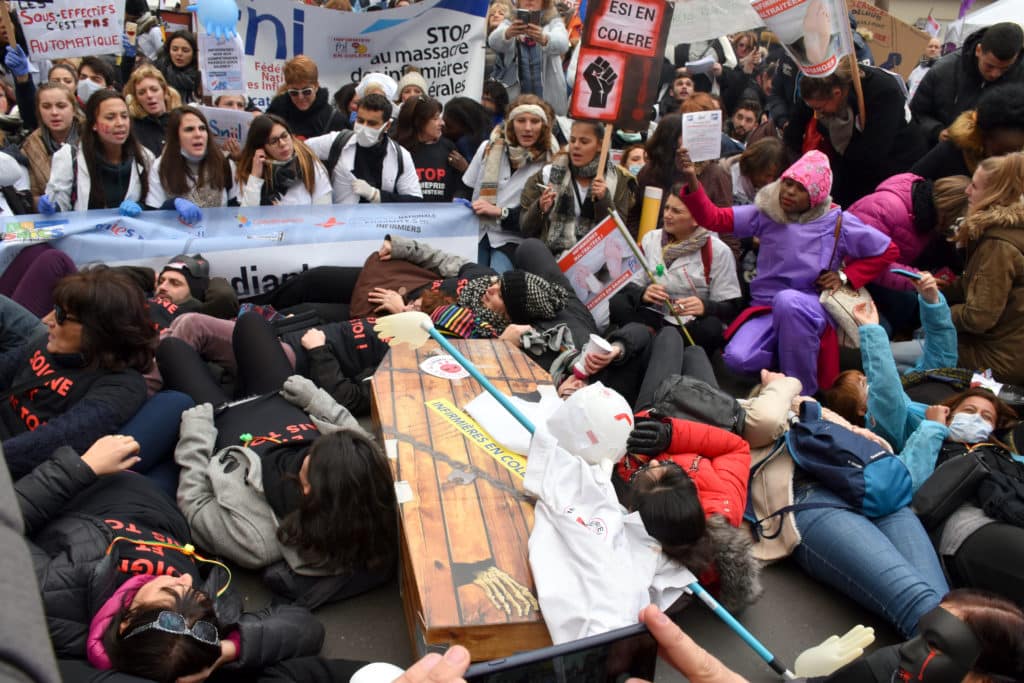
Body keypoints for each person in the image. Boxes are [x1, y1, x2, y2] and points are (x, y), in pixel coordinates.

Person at [14, 434, 326, 681]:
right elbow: (304, 627)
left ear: (126, 621)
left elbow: (9, 520)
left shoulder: (53, 596)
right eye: (193, 593)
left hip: (93, 486)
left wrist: (83, 467)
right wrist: (225, 650)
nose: (187, 578)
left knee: (167, 405)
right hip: (167, 507)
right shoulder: (195, 637)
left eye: (168, 590)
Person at [158, 313, 399, 607]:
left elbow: (195, 505)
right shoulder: (366, 478)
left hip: (219, 422)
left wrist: (195, 437)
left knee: (172, 349)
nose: (307, 450)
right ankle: (232, 377)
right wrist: (315, 399)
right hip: (280, 401)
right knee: (251, 324)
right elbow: (353, 434)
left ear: (308, 489)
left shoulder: (259, 539)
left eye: (312, 455)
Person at [743, 371, 948, 638]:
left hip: (870, 490)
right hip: (808, 498)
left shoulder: (811, 410)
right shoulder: (742, 414)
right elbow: (766, 422)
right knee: (919, 605)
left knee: (947, 606)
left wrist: (813, 414)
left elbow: (878, 446)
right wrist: (783, 384)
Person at [677, 149, 897, 395]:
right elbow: (714, 218)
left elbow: (887, 250)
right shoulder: (769, 212)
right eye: (788, 183)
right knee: (736, 359)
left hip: (811, 305)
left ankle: (801, 395)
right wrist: (691, 179)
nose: (790, 192)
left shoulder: (838, 222)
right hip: (766, 306)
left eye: (800, 188)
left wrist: (846, 277)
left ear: (815, 195)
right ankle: (785, 363)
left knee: (789, 302)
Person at [0, 268, 154, 479]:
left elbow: (55, 442)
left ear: (98, 329)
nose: (49, 320)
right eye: (55, 309)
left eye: (62, 316)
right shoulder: (46, 343)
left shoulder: (121, 387)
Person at [610, 184, 743, 355]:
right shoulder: (651, 239)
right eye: (666, 208)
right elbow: (627, 285)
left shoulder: (718, 251)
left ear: (697, 218)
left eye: (676, 211)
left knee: (712, 328)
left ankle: (665, 347)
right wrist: (643, 294)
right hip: (653, 317)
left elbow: (731, 306)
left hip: (690, 324)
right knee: (618, 304)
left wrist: (705, 306)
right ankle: (651, 338)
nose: (667, 215)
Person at [787, 60, 927, 206]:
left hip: (894, 163)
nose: (818, 114)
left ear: (837, 93)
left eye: (820, 108)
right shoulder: (818, 87)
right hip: (851, 158)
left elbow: (870, 156)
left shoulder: (882, 92)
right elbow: (793, 134)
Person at [847, 174, 969, 331]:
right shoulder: (886, 208)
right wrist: (917, 278)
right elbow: (864, 262)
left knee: (908, 304)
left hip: (872, 276)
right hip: (846, 273)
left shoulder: (925, 220)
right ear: (947, 215)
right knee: (882, 329)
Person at [943, 152, 1024, 384]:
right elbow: (976, 283)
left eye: (975, 187)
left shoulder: (999, 245)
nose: (967, 191)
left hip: (999, 358)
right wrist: (940, 291)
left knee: (896, 358)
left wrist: (938, 312)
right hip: (1008, 347)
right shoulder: (1008, 231)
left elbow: (979, 318)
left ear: (995, 193)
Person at [462, 94, 561, 272]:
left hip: (514, 242)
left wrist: (500, 212)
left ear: (544, 126)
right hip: (476, 234)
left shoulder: (551, 162)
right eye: (521, 120)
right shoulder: (488, 147)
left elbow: (539, 219)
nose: (527, 128)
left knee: (497, 286)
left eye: (535, 121)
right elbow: (465, 189)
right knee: (468, 281)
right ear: (510, 124)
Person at [519, 119, 637, 256]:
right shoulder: (548, 174)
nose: (576, 146)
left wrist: (604, 199)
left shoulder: (618, 179)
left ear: (600, 145)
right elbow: (525, 228)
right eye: (573, 140)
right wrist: (540, 208)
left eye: (584, 142)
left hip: (596, 260)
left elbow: (618, 233)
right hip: (553, 258)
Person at [41, 90, 154, 216]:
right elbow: (59, 206)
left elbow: (154, 202)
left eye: (124, 116)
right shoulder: (68, 156)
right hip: (84, 234)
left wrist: (141, 207)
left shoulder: (145, 157)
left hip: (129, 233)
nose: (120, 123)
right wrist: (52, 207)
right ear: (94, 124)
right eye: (110, 117)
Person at [911, 22, 1024, 147]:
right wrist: (937, 131)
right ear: (978, 50)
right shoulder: (944, 70)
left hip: (1002, 158)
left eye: (1005, 69)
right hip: (946, 151)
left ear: (1017, 57)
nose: (995, 74)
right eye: (989, 66)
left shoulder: (1020, 77)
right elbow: (917, 114)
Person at [306, 93, 422, 204]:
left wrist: (376, 195)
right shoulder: (337, 142)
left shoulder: (400, 156)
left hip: (380, 222)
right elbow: (300, 149)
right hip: (342, 221)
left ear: (387, 126)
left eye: (372, 123)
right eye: (360, 121)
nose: (364, 127)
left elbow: (414, 202)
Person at [911, 83, 1024, 182]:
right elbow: (906, 184)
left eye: (1018, 152)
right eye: (1000, 154)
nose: (1008, 160)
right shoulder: (954, 150)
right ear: (983, 136)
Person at [145, 106, 238, 223]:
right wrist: (172, 204)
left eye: (202, 128)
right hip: (177, 237)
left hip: (216, 237)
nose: (198, 134)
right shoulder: (160, 167)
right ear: (176, 137)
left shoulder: (225, 163)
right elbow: (153, 216)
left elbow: (236, 211)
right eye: (189, 129)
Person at [488, 0, 570, 115]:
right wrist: (507, 33)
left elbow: (563, 44)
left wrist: (544, 38)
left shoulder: (553, 20)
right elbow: (493, 41)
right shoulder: (511, 20)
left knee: (549, 126)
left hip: (549, 97)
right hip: (516, 97)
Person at [236, 114, 332, 206]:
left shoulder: (309, 164)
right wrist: (255, 177)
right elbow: (246, 218)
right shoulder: (250, 171)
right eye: (273, 141)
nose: (282, 143)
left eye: (284, 136)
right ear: (261, 147)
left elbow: (323, 211)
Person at [20, 82, 81, 211]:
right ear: (39, 111)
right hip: (52, 221)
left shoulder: (92, 137)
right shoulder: (29, 147)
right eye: (46, 107)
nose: (54, 112)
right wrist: (41, 204)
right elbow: (31, 194)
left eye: (61, 106)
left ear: (73, 109)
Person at [394, 95, 468, 202]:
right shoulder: (397, 150)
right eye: (435, 118)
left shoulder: (448, 148)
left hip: (442, 217)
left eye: (440, 117)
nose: (442, 123)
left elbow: (461, 186)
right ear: (419, 122)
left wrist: (465, 169)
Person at [266, 55, 347, 139]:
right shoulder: (276, 112)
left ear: (316, 86)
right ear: (287, 89)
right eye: (294, 93)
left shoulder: (334, 120)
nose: (300, 97)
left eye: (306, 91)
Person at [123, 65, 182, 157]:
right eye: (142, 92)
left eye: (154, 90)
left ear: (165, 91)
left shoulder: (182, 120)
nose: (149, 95)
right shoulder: (132, 129)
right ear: (136, 98)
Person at [721, 136, 787, 206]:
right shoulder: (726, 180)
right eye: (767, 175)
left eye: (775, 177)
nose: (770, 181)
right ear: (753, 167)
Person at [155, 30, 201, 104]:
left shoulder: (201, 76)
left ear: (194, 54)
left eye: (185, 50)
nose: (179, 54)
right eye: (175, 49)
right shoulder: (158, 72)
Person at [907, 37, 942, 101]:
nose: (933, 49)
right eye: (930, 46)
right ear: (925, 48)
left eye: (936, 47)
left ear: (940, 50)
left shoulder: (942, 71)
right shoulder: (915, 68)